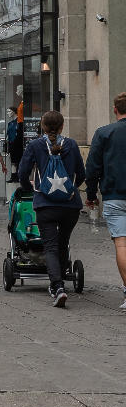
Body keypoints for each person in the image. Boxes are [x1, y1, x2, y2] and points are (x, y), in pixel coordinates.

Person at [17, 110, 90, 308]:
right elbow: (81, 173)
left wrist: (28, 187)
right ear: (62, 126)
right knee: (63, 241)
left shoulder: (35, 145)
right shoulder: (72, 144)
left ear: (42, 126)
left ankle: (57, 287)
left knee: (50, 245)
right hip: (70, 205)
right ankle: (61, 279)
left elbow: (22, 172)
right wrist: (70, 189)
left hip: (45, 204)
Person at [85, 91, 126, 310]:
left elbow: (92, 168)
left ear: (115, 109)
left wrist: (91, 195)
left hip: (114, 196)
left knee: (122, 244)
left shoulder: (104, 133)